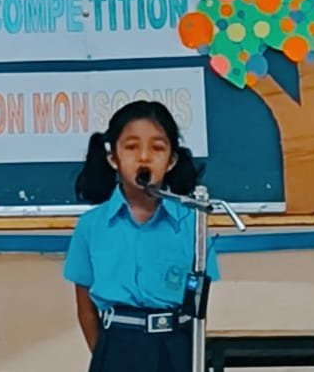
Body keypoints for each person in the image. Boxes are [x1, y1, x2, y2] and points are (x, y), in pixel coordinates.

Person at [64, 99, 220, 372]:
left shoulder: (192, 223)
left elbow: (198, 303)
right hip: (118, 346)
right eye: (131, 147)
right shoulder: (91, 225)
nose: (144, 157)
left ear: (171, 160)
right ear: (113, 158)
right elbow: (85, 308)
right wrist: (106, 355)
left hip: (175, 344)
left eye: (157, 148)